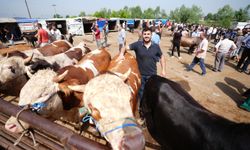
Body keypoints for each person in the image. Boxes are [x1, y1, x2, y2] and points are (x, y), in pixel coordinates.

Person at [118, 27, 166, 112]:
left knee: (152, 93)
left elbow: (161, 56)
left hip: (152, 75)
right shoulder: (137, 44)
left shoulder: (156, 46)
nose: (146, 36)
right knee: (141, 93)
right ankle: (141, 109)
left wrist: (163, 70)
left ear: (151, 35)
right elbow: (125, 47)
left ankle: (151, 109)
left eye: (148, 34)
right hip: (140, 75)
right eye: (145, 34)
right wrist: (121, 54)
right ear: (142, 35)